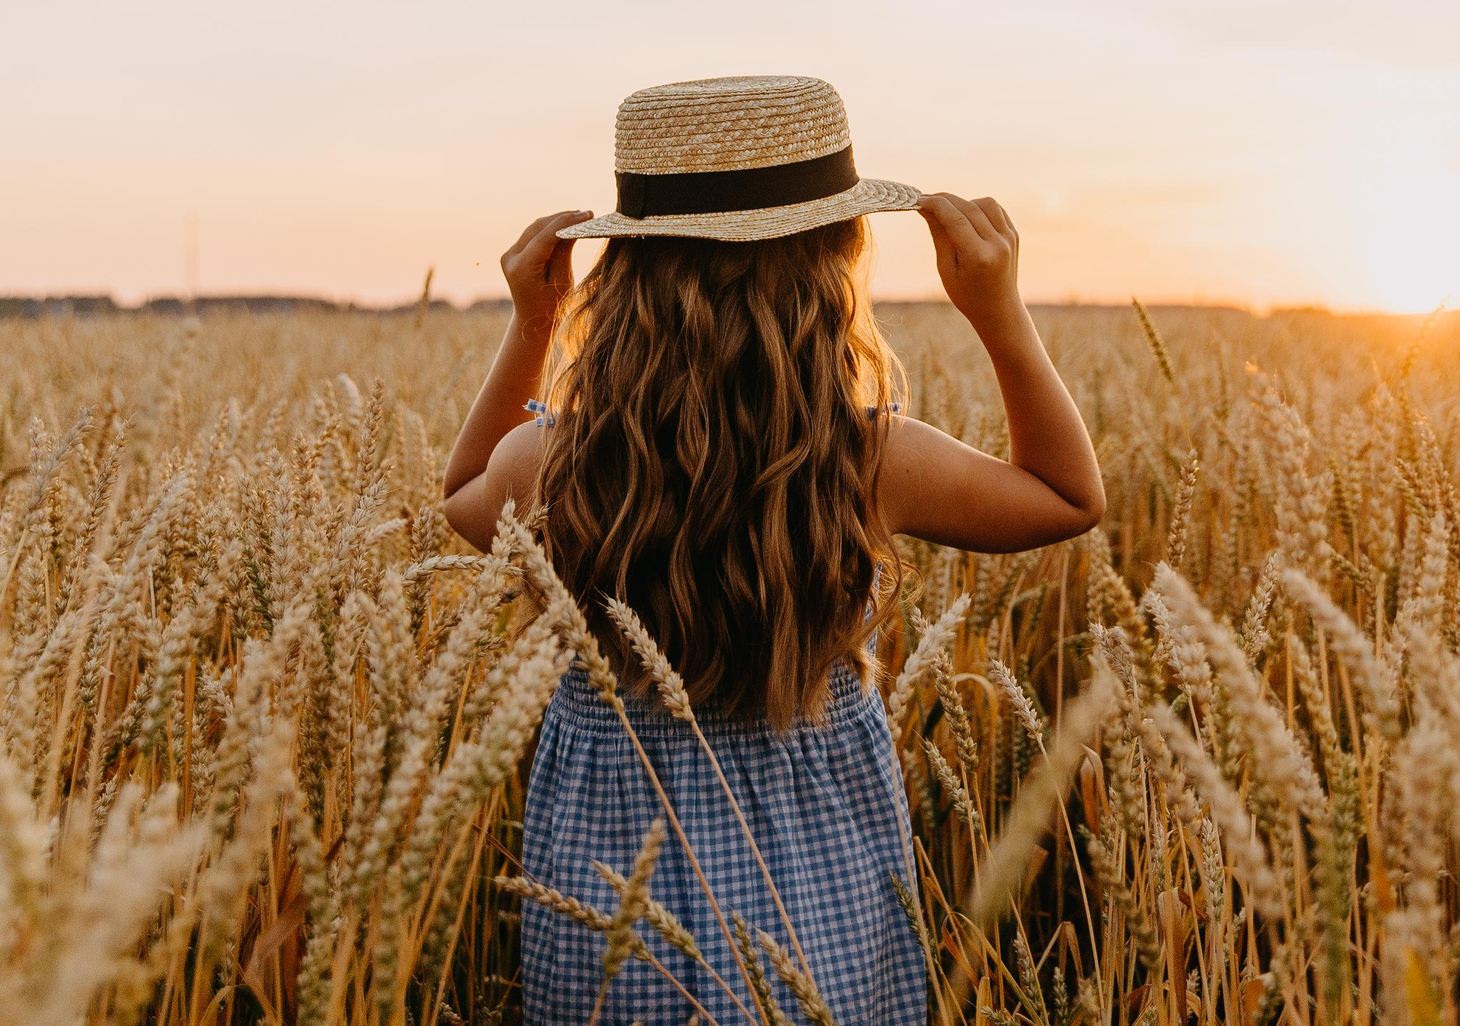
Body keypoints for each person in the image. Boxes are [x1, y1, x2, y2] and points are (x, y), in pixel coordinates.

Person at [442, 74, 1104, 1026]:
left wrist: (533, 322)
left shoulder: (553, 461)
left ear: (624, 269)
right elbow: (1067, 495)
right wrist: (999, 311)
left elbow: (463, 492)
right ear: (836, 258)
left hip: (607, 880)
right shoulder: (866, 457)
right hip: (817, 869)